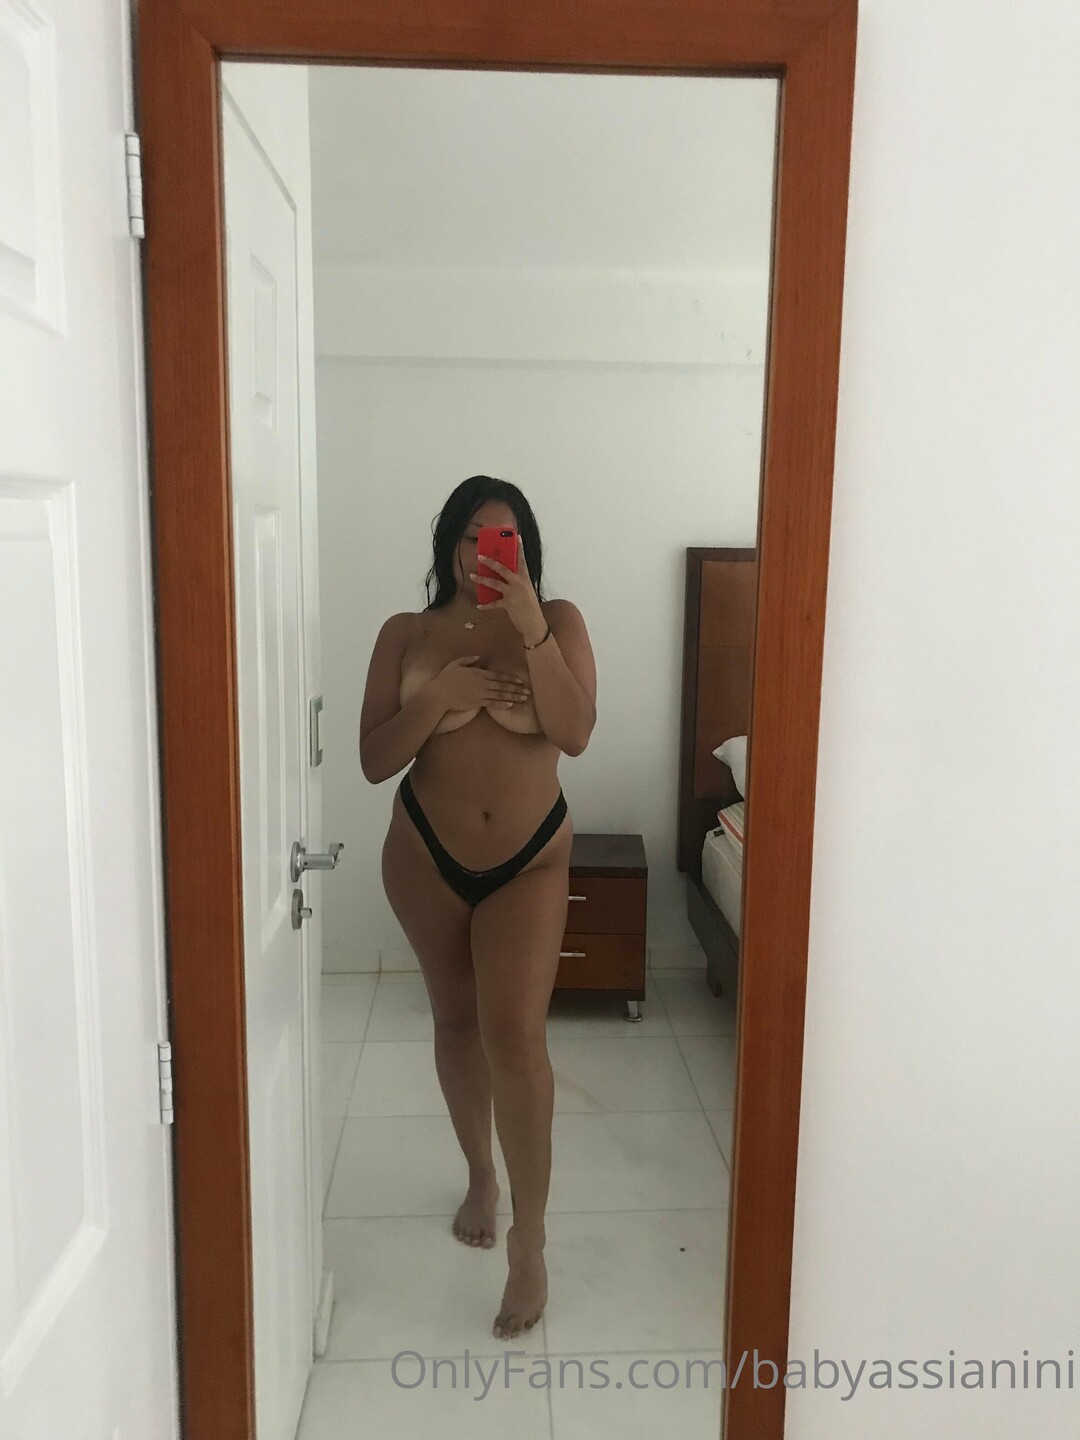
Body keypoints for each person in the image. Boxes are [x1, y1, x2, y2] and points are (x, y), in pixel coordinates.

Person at [358, 475, 597, 1341]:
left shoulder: (558, 620)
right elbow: (374, 760)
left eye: (504, 539)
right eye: (471, 536)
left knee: (516, 1039)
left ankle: (529, 1241)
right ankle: (479, 1175)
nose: (484, 553)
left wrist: (531, 628)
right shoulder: (408, 633)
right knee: (457, 1024)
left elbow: (574, 732)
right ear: (448, 545)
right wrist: (438, 699)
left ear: (525, 549)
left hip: (530, 861)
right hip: (426, 856)